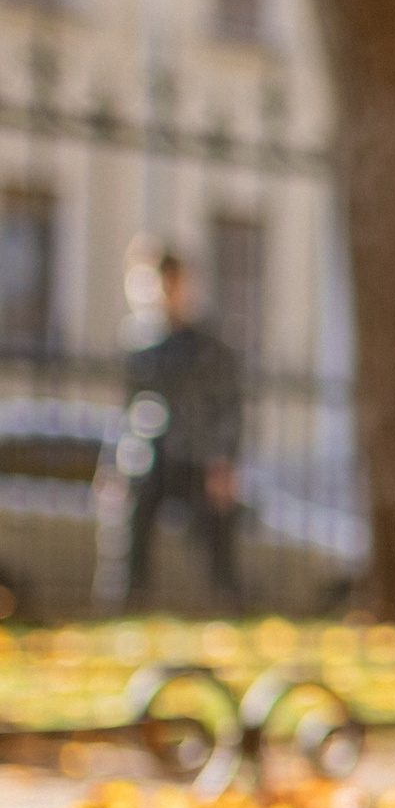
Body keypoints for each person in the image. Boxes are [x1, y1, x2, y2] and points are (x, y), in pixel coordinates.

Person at [99, 241, 244, 609]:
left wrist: (224, 460)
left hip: (196, 454)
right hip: (148, 454)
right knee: (130, 534)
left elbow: (228, 406)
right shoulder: (138, 342)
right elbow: (125, 410)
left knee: (214, 539)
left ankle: (229, 604)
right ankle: (125, 606)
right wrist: (112, 464)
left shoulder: (208, 345)